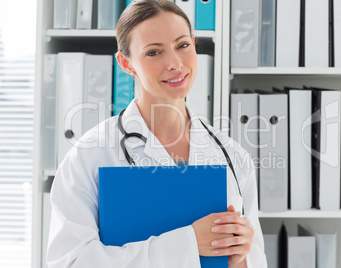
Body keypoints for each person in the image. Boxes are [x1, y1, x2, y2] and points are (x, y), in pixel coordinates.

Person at [47, 0, 267, 267]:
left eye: (183, 45)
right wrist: (187, 243)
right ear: (126, 63)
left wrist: (239, 257)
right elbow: (69, 262)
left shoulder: (233, 156)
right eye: (154, 52)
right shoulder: (89, 155)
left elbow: (253, 259)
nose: (174, 63)